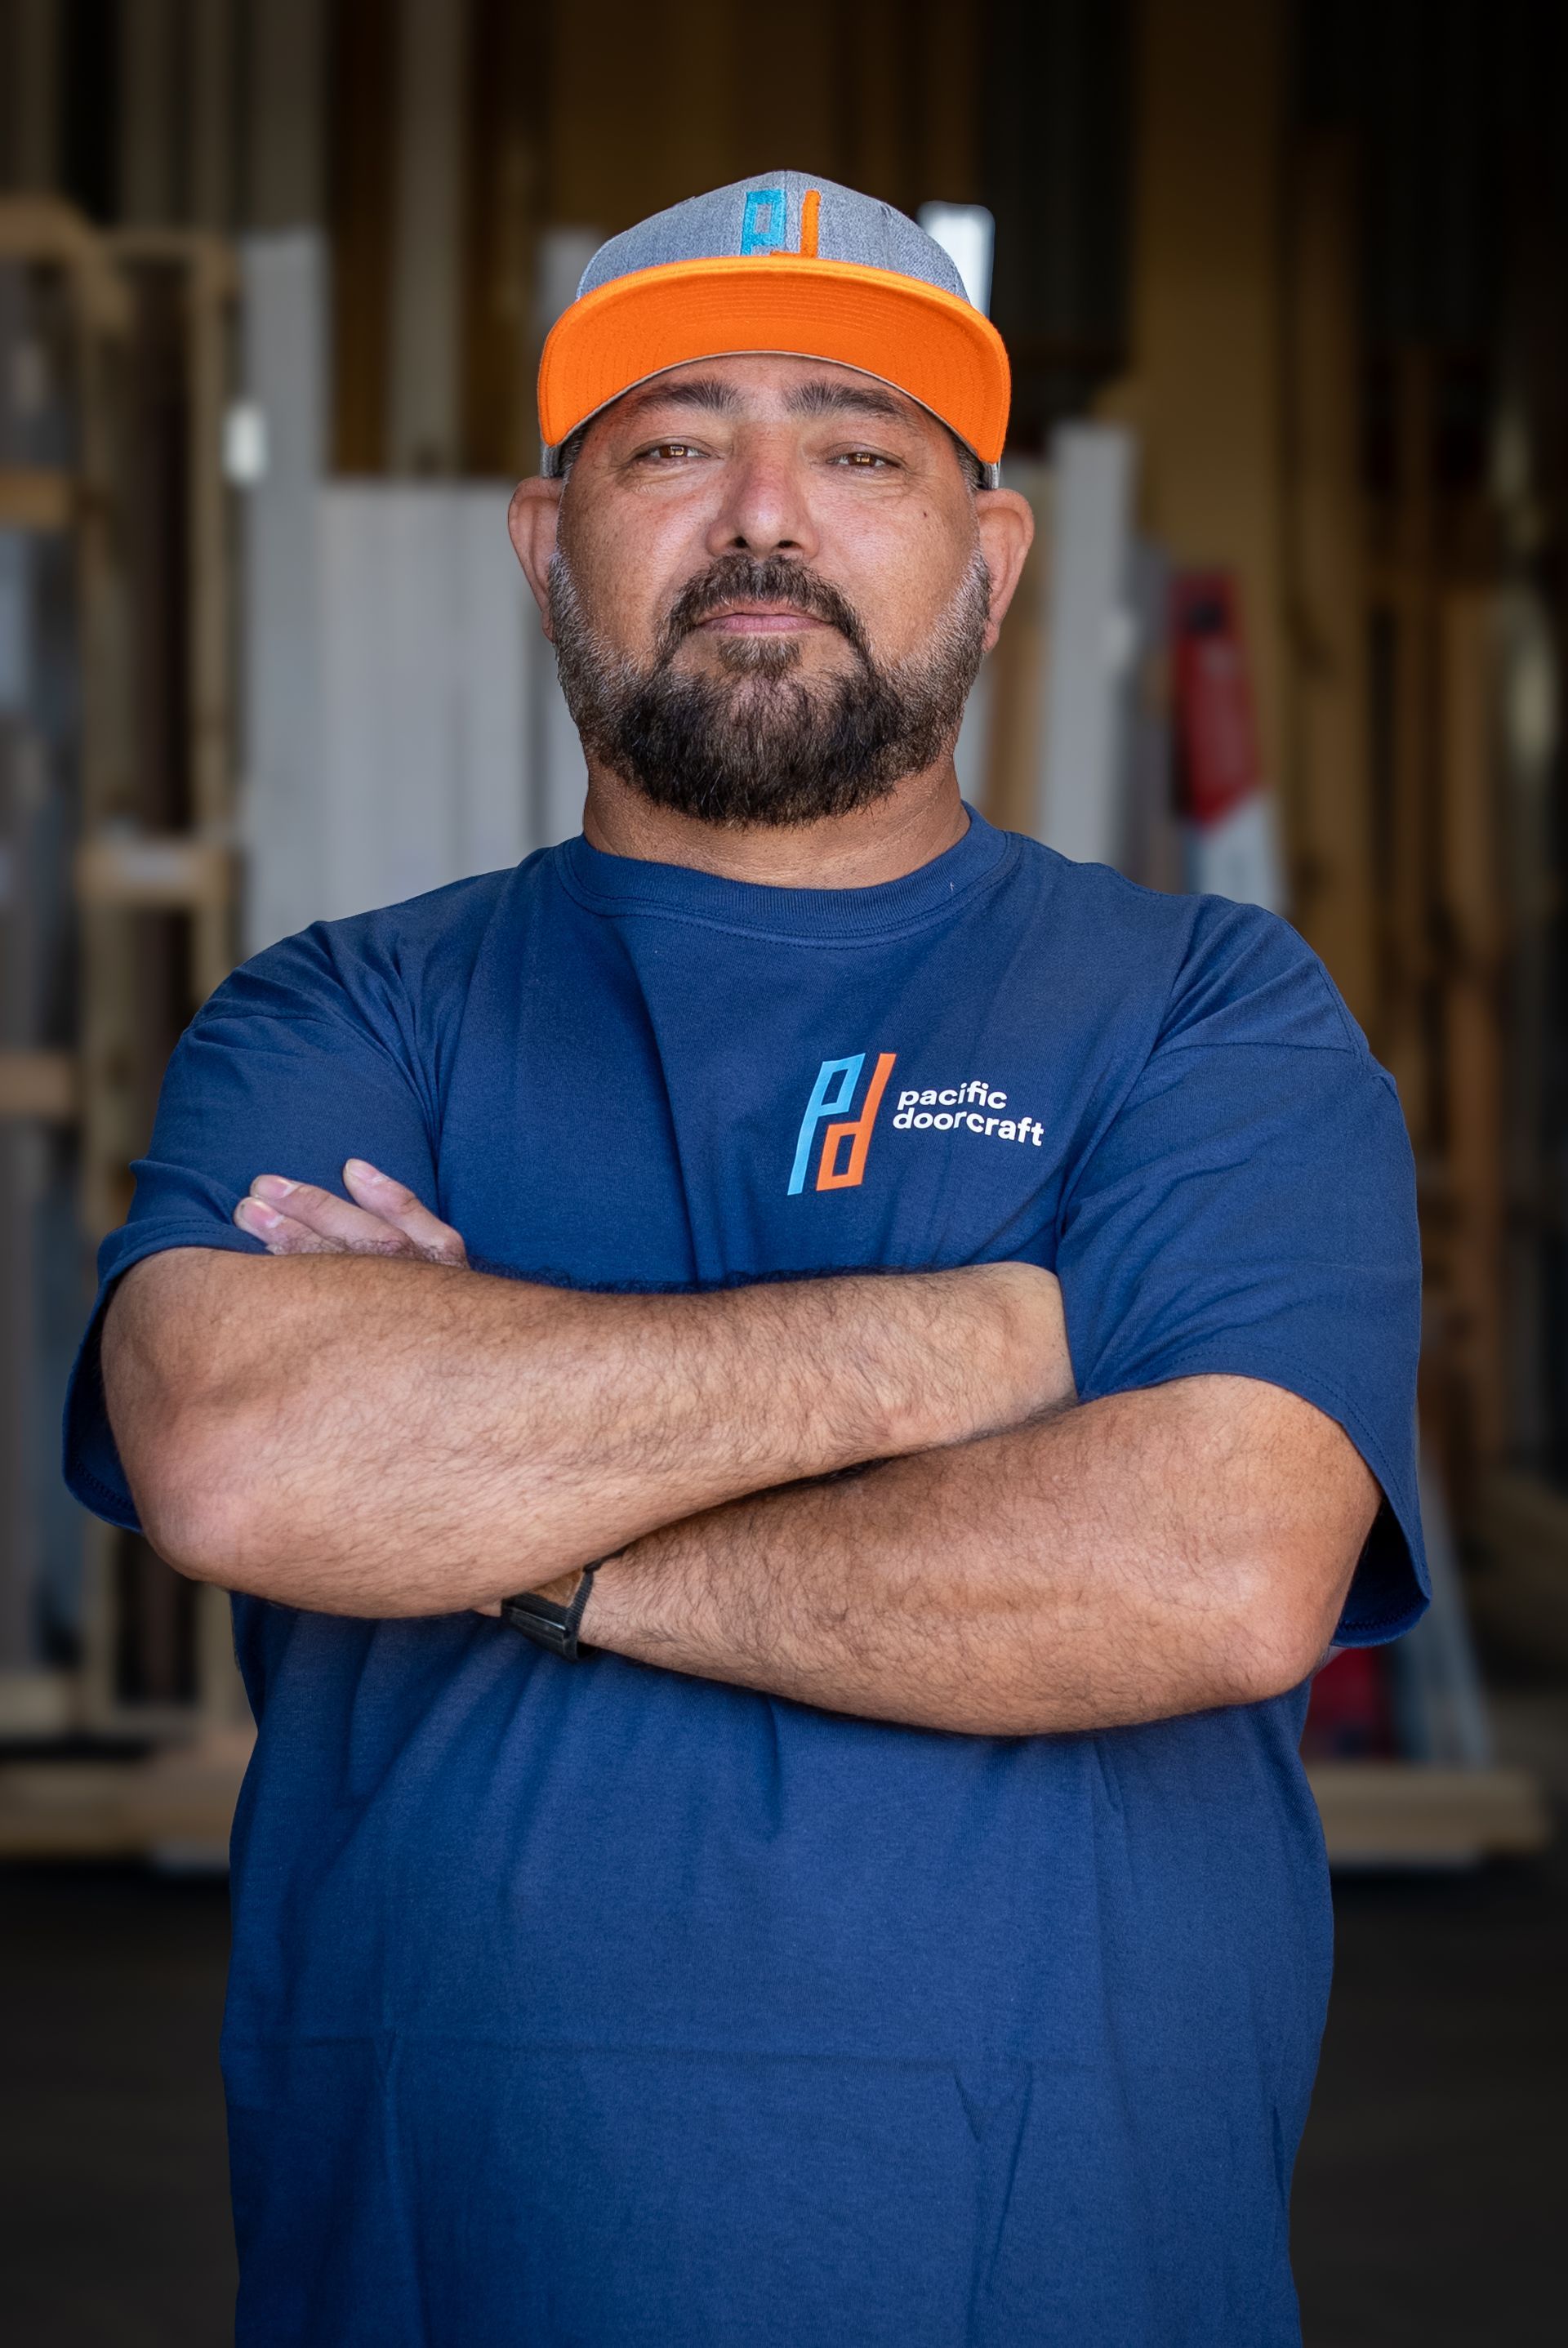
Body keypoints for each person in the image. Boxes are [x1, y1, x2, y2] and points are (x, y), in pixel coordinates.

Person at [66, 172, 1424, 2346]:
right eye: (674, 444)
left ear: (990, 558)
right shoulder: (350, 1015)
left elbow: (1220, 1560)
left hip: (1061, 2276)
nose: (764, 514)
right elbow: (237, 1451)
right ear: (545, 542)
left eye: (863, 450)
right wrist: (985, 1344)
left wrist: (529, 1538)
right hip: (445, 2277)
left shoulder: (1208, 1010)